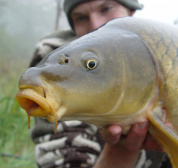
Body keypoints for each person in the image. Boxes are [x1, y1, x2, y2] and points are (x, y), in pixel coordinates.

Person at [30, 0, 173, 168]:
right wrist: (123, 147)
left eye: (106, 9)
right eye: (81, 18)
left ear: (131, 10)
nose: (95, 24)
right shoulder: (57, 69)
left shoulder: (162, 46)